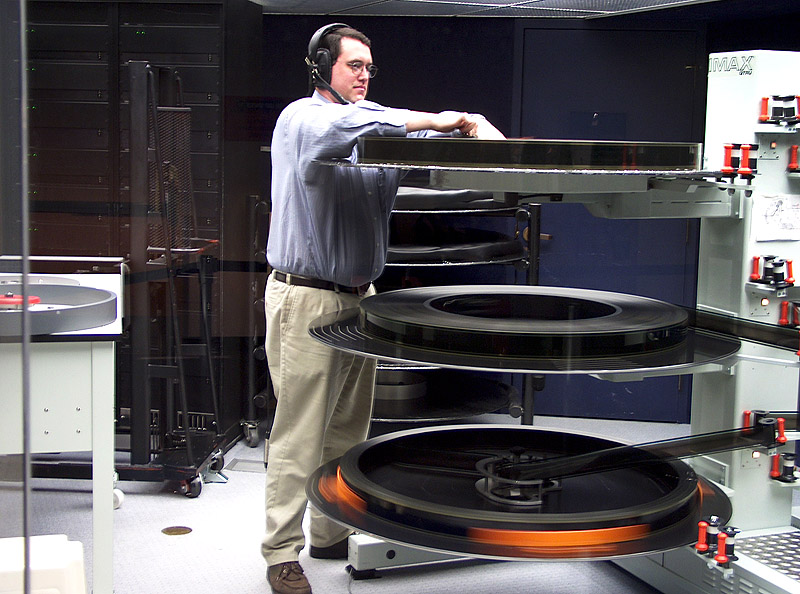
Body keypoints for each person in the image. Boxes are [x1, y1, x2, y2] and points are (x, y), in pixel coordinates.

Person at [262, 23, 505, 594]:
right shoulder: (304, 118)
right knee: (299, 434)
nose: (364, 75)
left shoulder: (378, 126)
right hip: (306, 296)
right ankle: (280, 553)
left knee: (347, 429)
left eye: (369, 66)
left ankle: (329, 531)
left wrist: (472, 128)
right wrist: (439, 115)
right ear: (323, 67)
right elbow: (351, 123)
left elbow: (430, 141)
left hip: (358, 300)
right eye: (353, 65)